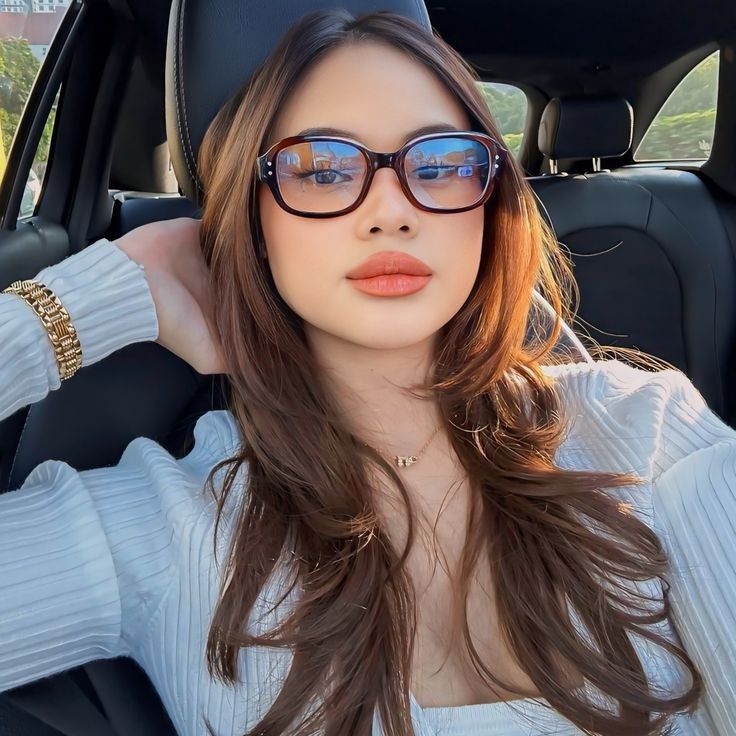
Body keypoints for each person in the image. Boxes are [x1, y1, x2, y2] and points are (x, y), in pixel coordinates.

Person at [0, 9, 733, 736]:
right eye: (321, 169)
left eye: (440, 164)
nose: (391, 212)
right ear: (254, 224)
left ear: (489, 205)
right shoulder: (166, 524)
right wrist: (74, 308)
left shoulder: (643, 431)